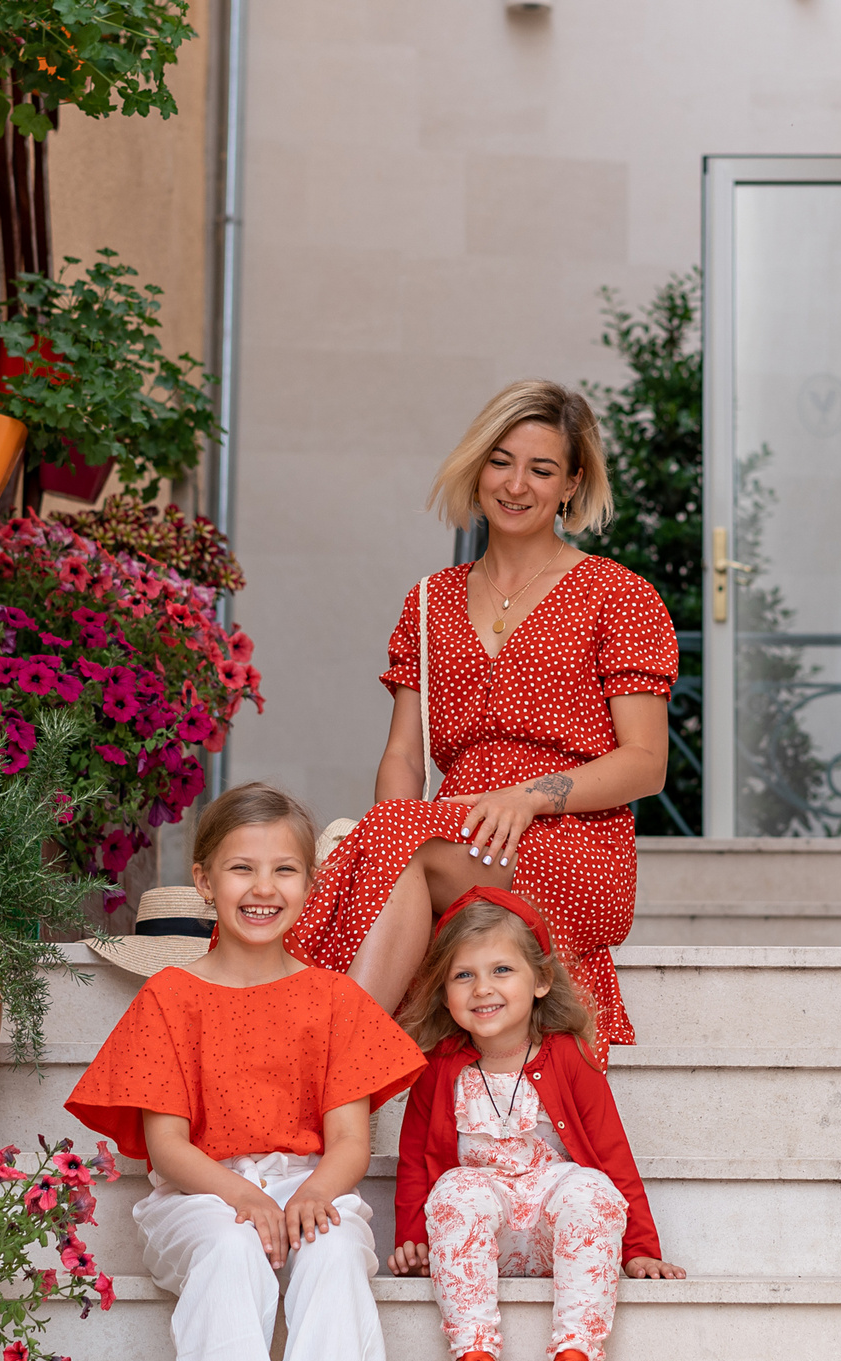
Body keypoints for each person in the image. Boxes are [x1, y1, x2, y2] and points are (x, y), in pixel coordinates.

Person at [65, 782, 428, 1361]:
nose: (264, 889)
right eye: (241, 869)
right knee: (233, 1246)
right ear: (204, 880)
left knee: (332, 1252)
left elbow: (349, 1145)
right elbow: (168, 1149)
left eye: (284, 870)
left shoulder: (334, 998)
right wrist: (246, 1196)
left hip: (310, 1178)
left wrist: (314, 1194)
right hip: (203, 1190)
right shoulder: (171, 995)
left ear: (311, 883)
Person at [287, 380, 676, 1062]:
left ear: (572, 483)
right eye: (500, 460)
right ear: (477, 465)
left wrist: (526, 797)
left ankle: (325, 1070)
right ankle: (339, 1070)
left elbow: (646, 762)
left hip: (573, 842)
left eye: (542, 468)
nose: (516, 483)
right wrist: (389, 848)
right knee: (389, 838)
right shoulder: (429, 600)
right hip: (453, 834)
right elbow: (405, 757)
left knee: (380, 849)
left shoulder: (619, 594)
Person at [387, 886, 684, 1361]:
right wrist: (412, 1235)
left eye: (502, 970)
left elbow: (613, 1154)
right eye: (464, 975)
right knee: (456, 1187)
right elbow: (415, 1159)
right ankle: (474, 1356)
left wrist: (640, 1249)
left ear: (541, 980)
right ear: (444, 992)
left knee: (590, 1186)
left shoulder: (569, 1056)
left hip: (554, 1230)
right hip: (485, 1232)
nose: (483, 989)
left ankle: (576, 1356)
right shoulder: (440, 1069)